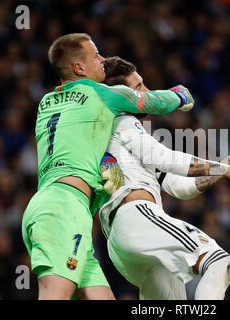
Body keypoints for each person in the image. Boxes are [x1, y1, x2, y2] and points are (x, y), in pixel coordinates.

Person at [21, 33, 195, 300]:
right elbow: (153, 102)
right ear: (79, 68)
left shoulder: (46, 103)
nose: (102, 59)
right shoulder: (100, 93)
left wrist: (107, 164)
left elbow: (78, 141)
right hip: (64, 209)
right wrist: (180, 95)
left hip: (53, 205)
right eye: (95, 55)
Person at [99, 56, 230, 299]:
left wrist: (223, 164)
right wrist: (223, 169)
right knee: (219, 260)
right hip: (137, 216)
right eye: (138, 88)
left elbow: (179, 186)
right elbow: (165, 157)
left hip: (124, 239)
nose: (146, 93)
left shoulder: (121, 136)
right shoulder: (122, 121)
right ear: (121, 95)